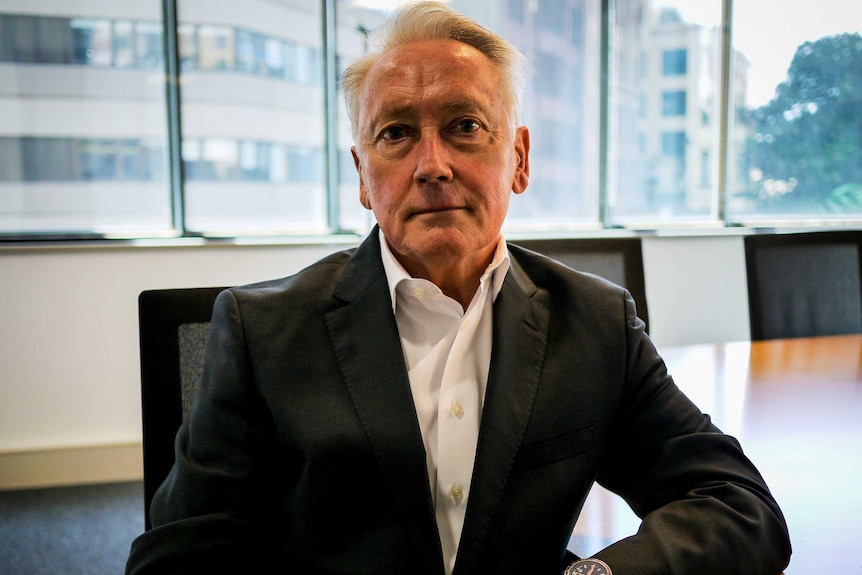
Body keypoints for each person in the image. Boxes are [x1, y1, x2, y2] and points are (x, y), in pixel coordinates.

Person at [125, 2, 791, 574]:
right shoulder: (259, 330)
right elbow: (179, 558)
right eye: (396, 134)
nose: (433, 165)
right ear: (363, 175)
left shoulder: (595, 322)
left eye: (464, 126)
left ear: (519, 158)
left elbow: (738, 504)